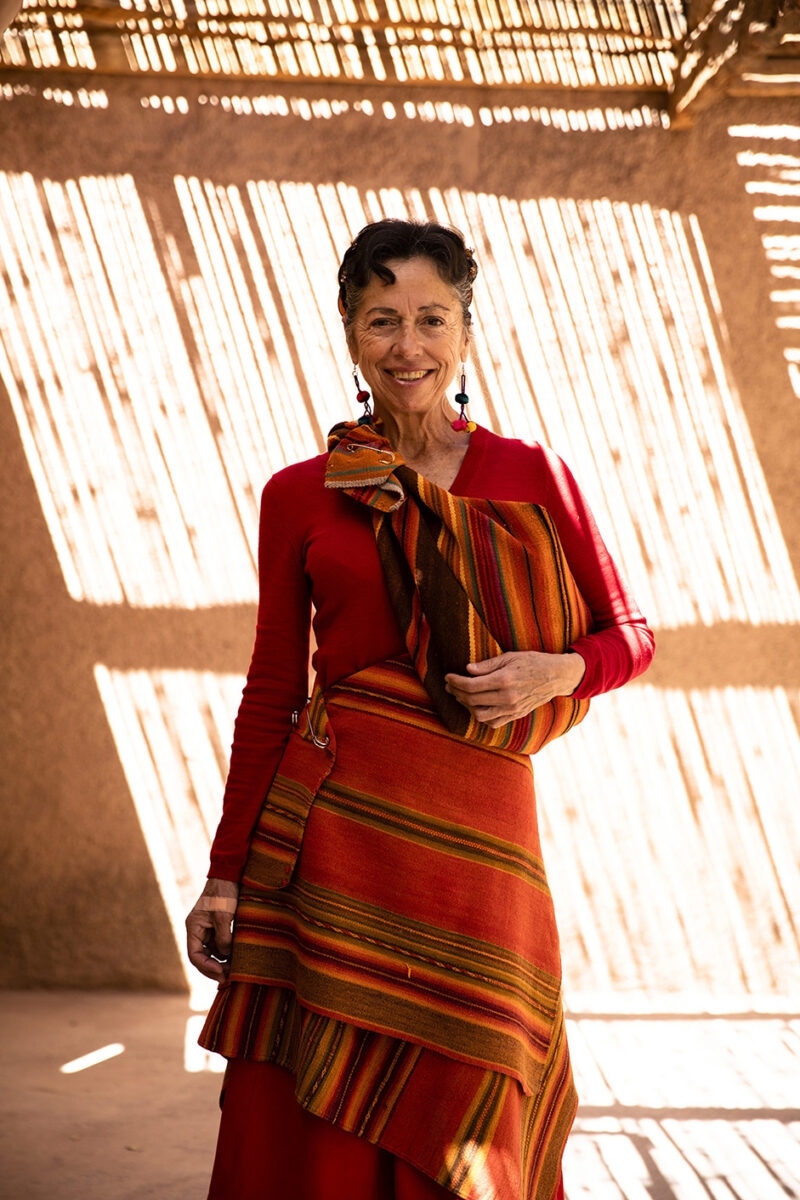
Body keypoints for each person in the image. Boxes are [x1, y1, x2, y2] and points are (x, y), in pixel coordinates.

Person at [186, 218, 655, 1200]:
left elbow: (628, 634)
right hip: (335, 846)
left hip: (479, 864)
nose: (407, 346)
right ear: (350, 337)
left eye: (429, 318)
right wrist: (226, 875)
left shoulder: (530, 476)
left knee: (476, 1091)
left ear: (464, 332)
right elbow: (272, 692)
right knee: (315, 1123)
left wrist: (555, 674)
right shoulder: (299, 497)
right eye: (381, 319)